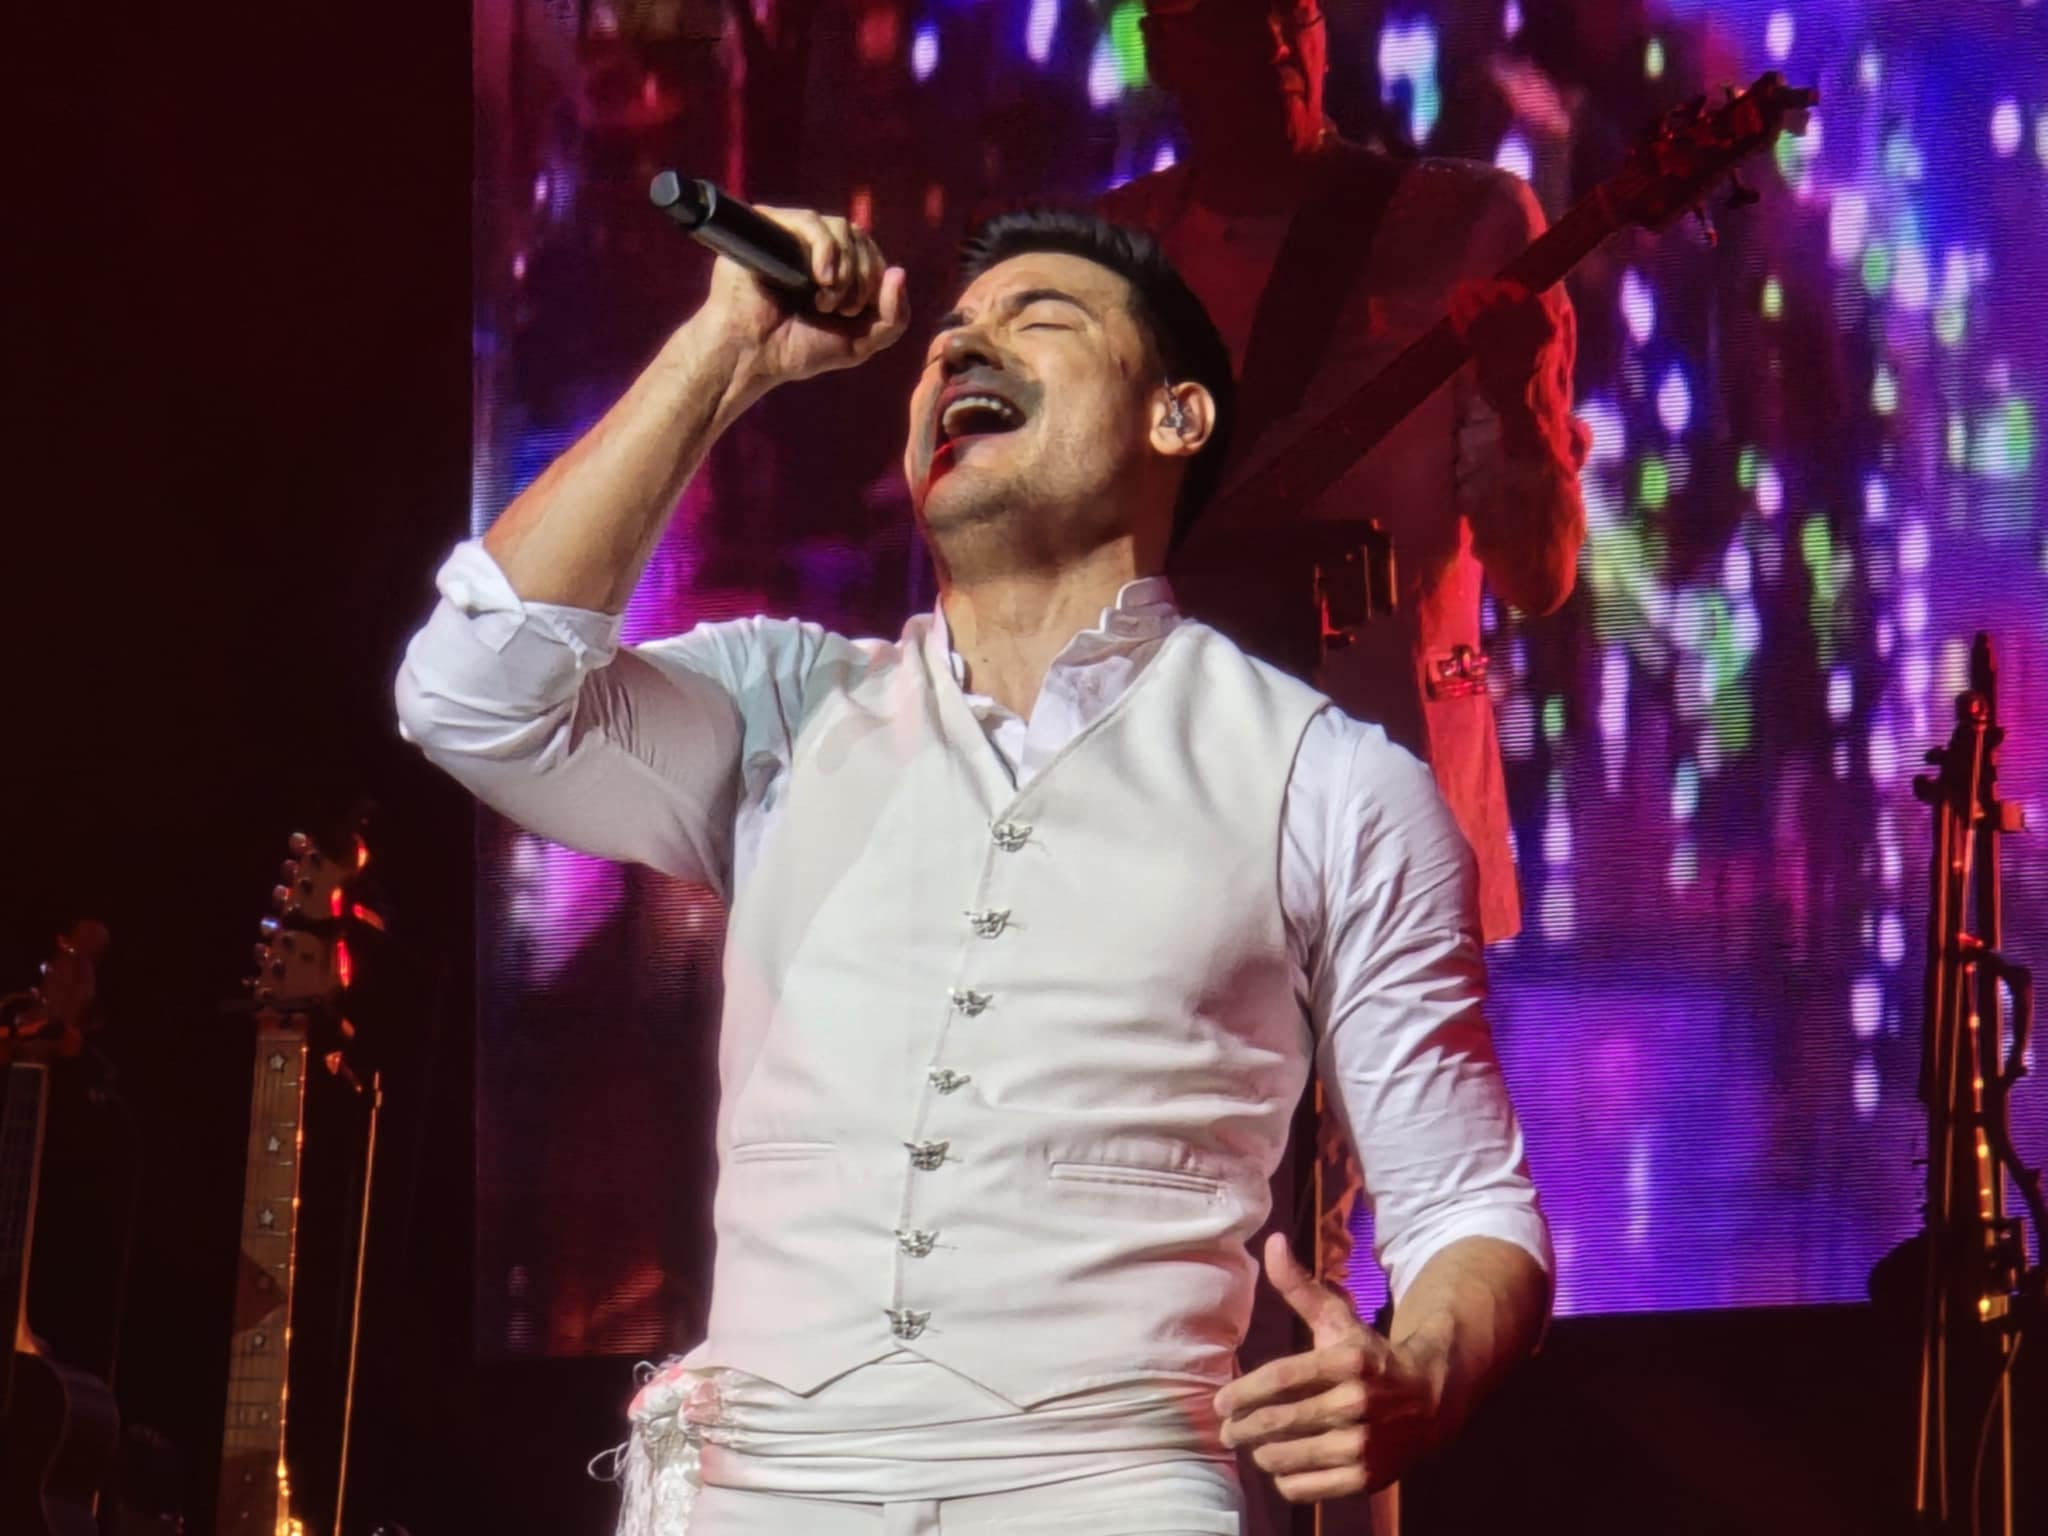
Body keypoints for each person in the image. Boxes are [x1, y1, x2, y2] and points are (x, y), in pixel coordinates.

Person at [396, 204, 1550, 1533]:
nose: (959, 351)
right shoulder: (785, 703)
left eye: (1036, 318)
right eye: (946, 337)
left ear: (1176, 417)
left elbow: (1469, 1203)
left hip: (1108, 1492)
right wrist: (724, 354)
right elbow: (470, 696)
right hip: (754, 1486)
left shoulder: (1331, 782)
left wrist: (1422, 1371)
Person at [1101, 0, 1591, 948]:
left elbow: (1539, 577)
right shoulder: (1109, 257)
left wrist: (1524, 406)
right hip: (1175, 854)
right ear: (1163, 48)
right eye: (1237, 18)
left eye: (1297, 11)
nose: (1276, 41)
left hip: (1392, 859)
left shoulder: (1467, 226)